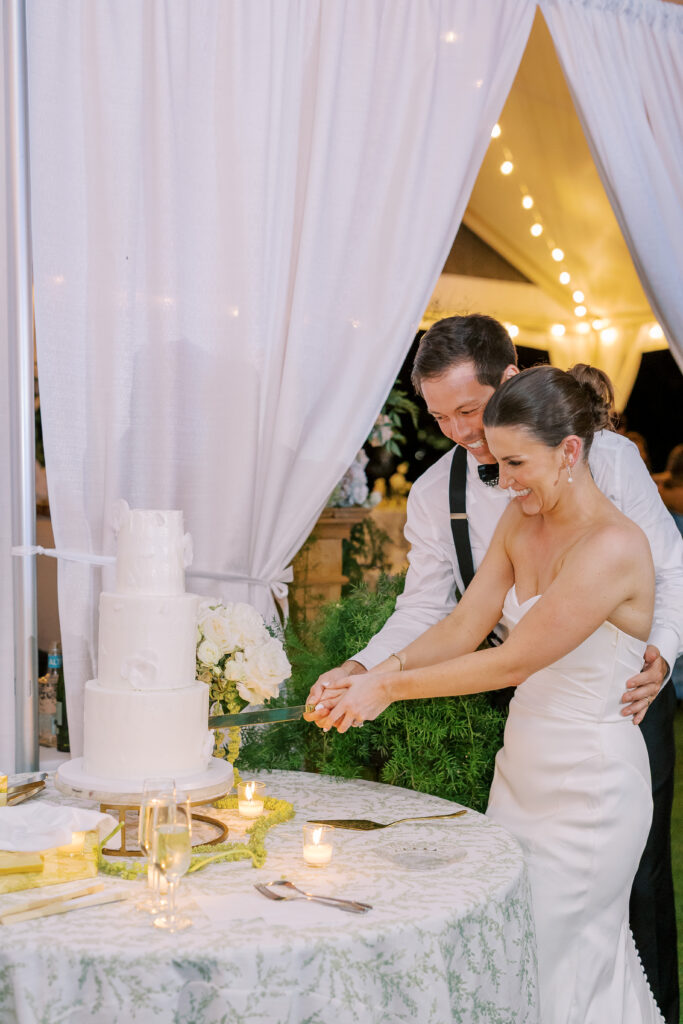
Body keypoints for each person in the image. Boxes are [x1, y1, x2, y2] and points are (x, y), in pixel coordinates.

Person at [306, 315, 683, 1024]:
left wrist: (658, 647)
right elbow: (451, 621)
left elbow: (524, 647)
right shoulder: (490, 506)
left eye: (468, 413)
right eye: (439, 416)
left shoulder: (610, 512)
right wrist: (364, 670)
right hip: (525, 756)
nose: (460, 436)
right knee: (519, 947)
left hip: (602, 741)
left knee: (603, 924)